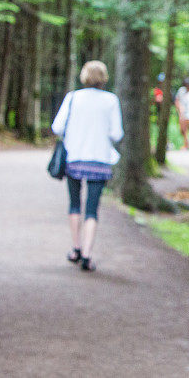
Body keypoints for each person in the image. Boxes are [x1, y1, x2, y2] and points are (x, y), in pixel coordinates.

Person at [51, 60, 123, 272]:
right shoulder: (111, 100)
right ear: (104, 77)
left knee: (74, 205)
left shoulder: (73, 98)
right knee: (92, 209)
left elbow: (57, 126)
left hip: (74, 158)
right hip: (100, 161)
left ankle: (76, 248)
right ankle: (88, 255)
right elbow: (117, 133)